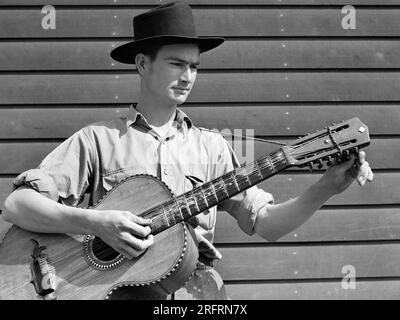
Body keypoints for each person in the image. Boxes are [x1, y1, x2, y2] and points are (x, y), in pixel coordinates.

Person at [2, 1, 373, 300]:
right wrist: (96, 223)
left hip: (195, 292)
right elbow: (17, 205)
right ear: (143, 63)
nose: (188, 76)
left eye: (194, 66)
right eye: (177, 63)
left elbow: (266, 224)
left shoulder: (212, 146)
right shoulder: (96, 140)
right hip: (112, 293)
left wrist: (324, 189)